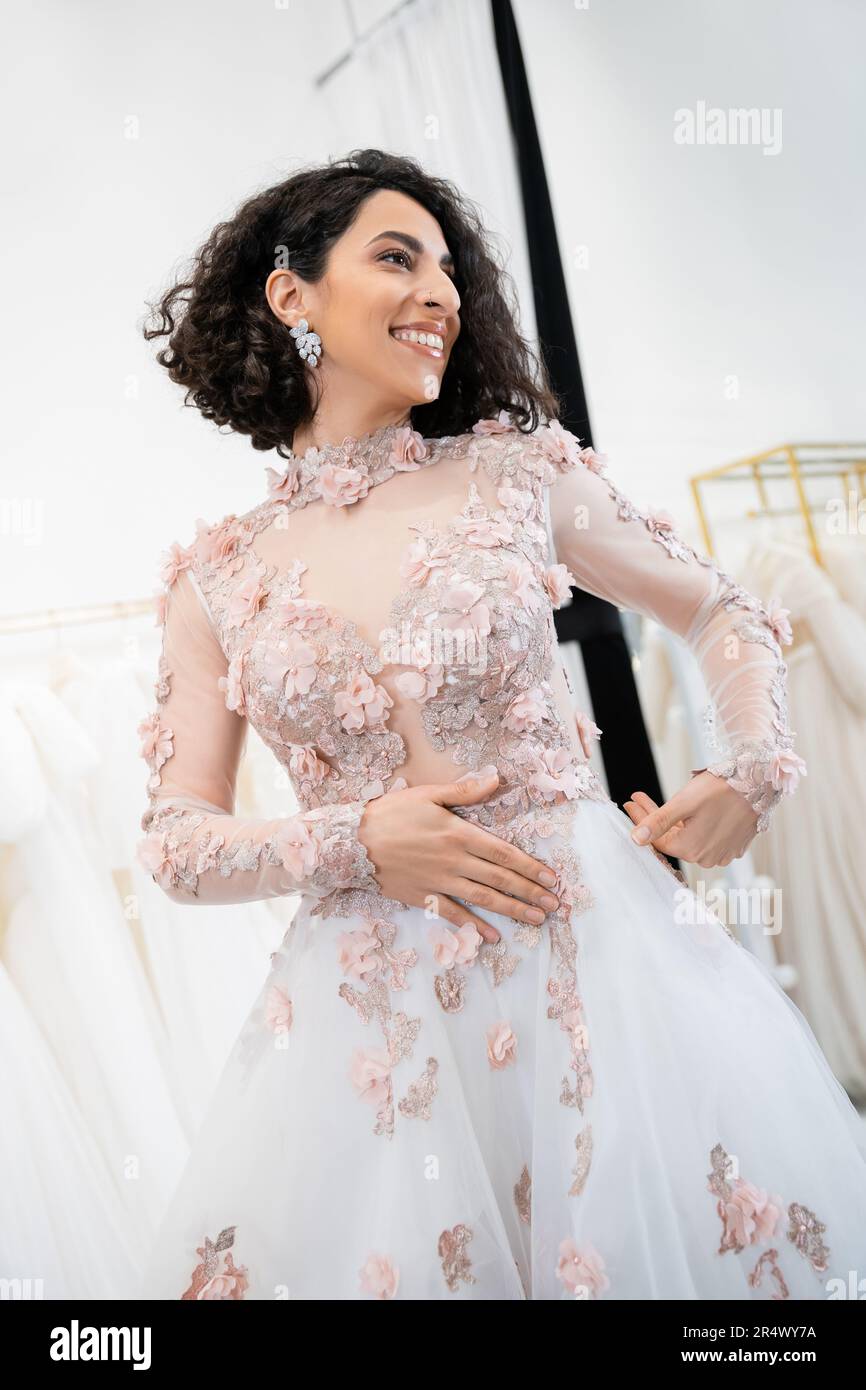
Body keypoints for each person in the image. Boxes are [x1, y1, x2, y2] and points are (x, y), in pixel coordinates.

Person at [135, 148, 866, 1301]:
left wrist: (750, 767)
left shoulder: (517, 477)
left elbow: (724, 610)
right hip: (364, 1019)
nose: (440, 291)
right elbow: (175, 840)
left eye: (447, 269)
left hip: (588, 968)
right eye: (395, 257)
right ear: (291, 294)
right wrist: (356, 839)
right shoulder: (215, 581)